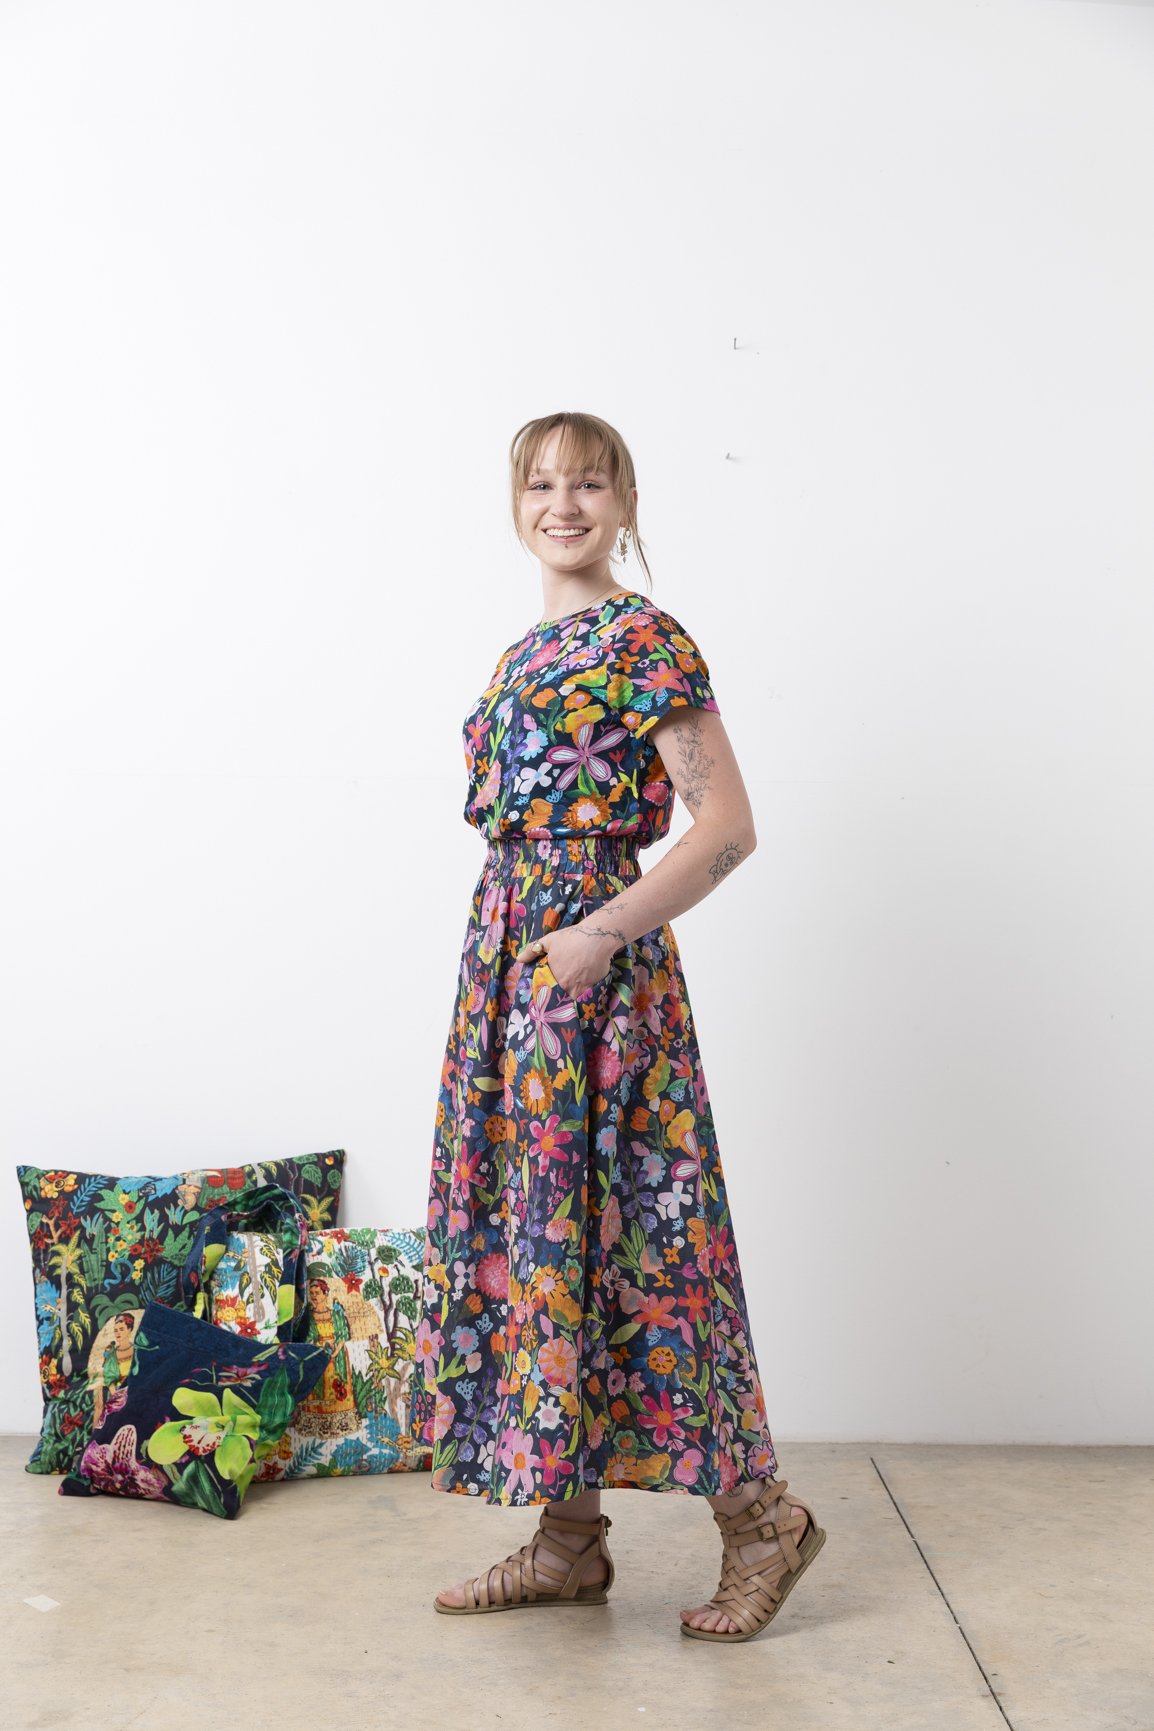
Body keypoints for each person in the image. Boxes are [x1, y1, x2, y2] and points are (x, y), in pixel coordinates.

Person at [411, 411, 826, 1642]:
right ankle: (567, 1539)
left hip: (604, 987)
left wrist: (599, 935)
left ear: (625, 501)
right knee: (540, 1251)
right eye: (540, 482)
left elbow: (724, 829)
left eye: (588, 483)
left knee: (651, 1252)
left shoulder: (644, 640)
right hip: (509, 982)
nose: (563, 503)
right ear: (514, 501)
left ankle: (765, 1522)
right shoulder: (516, 654)